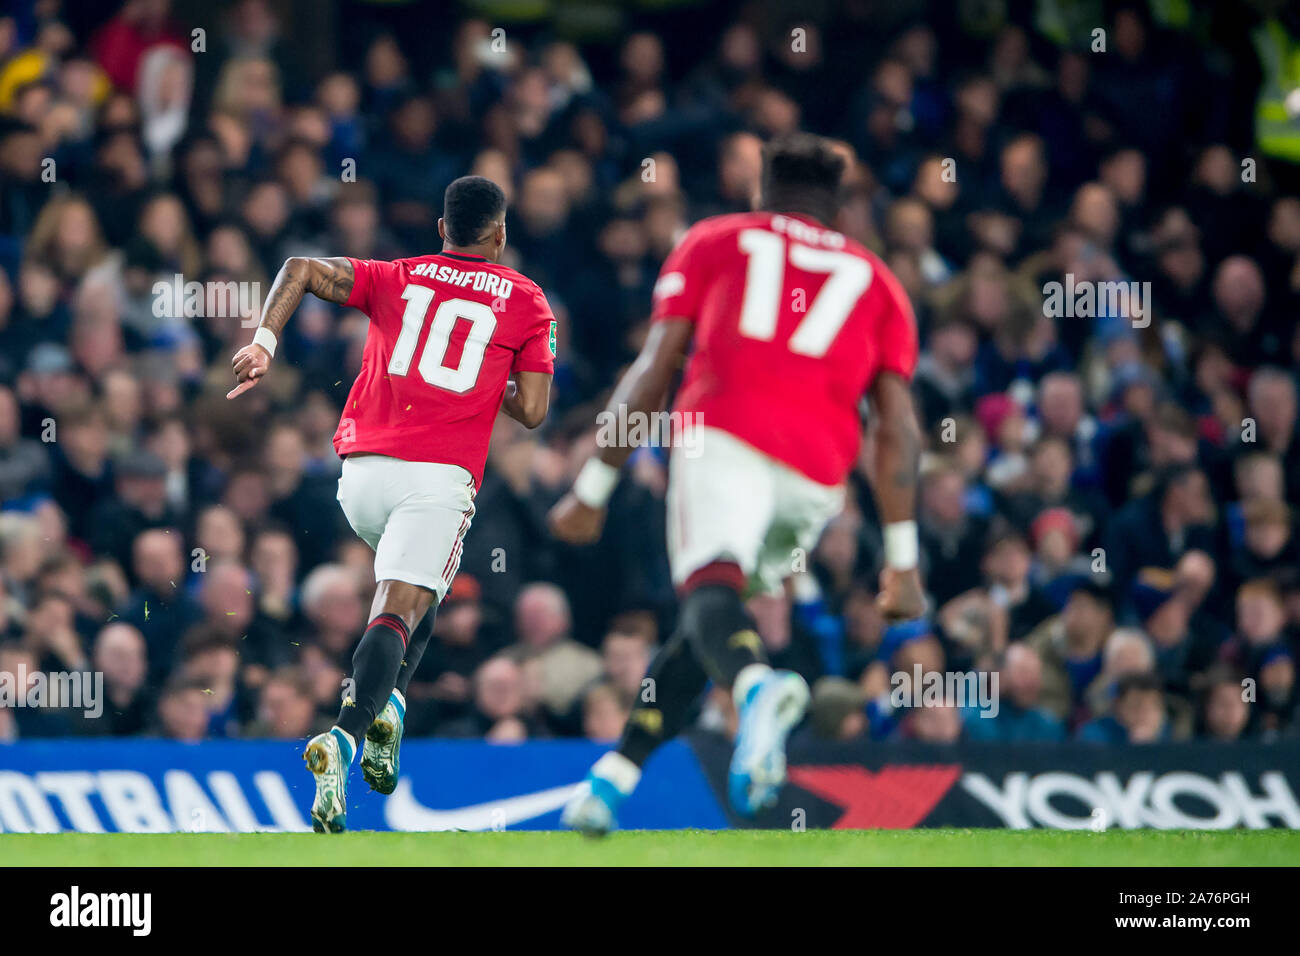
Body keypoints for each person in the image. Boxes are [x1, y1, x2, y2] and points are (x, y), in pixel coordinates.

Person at [548, 134, 923, 833]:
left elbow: (655, 369)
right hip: (816, 478)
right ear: (837, 212)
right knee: (711, 615)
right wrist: (901, 560)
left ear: (762, 194)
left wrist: (592, 489)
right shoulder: (881, 283)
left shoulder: (715, 239)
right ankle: (615, 777)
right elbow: (897, 426)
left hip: (724, 435)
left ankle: (758, 689)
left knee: (709, 597)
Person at [227, 175, 556, 832]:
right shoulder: (526, 298)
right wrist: (492, 381)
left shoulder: (399, 274)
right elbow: (535, 412)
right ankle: (345, 737)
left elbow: (300, 267)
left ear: (442, 230)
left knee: (422, 587)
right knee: (400, 608)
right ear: (499, 235)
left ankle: (392, 708)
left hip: (360, 475)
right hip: (436, 479)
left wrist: (264, 340)